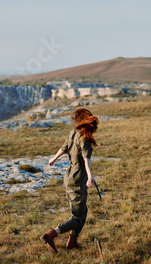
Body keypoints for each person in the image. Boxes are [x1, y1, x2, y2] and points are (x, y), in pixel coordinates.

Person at [40, 108, 99, 253]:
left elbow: (64, 148)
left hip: (69, 176)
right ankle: (52, 234)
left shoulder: (72, 133)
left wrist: (53, 159)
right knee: (77, 217)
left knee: (82, 211)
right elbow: (86, 158)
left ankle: (72, 241)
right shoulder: (83, 137)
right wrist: (90, 176)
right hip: (78, 178)